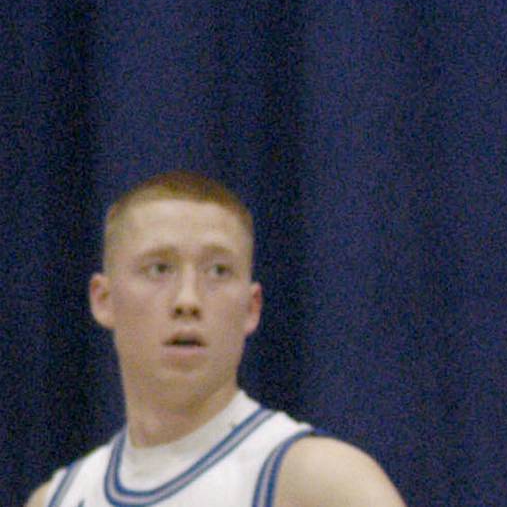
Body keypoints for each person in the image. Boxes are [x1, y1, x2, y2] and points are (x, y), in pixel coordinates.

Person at [25, 170, 408, 507]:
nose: (188, 300)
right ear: (104, 299)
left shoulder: (320, 482)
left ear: (251, 307)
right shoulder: (59, 498)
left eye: (218, 271)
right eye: (159, 268)